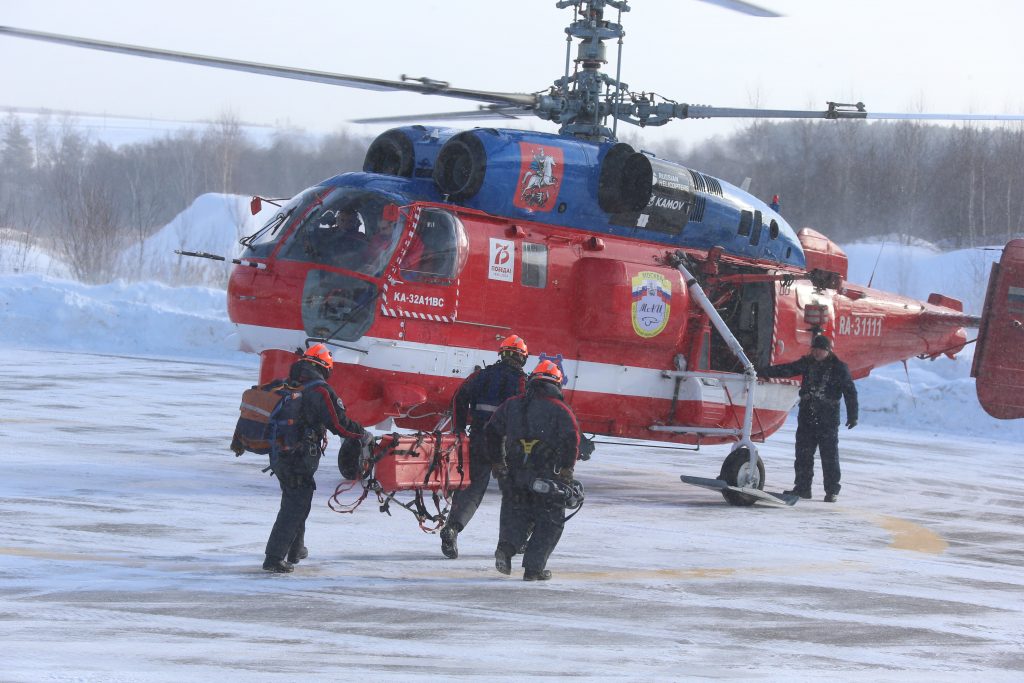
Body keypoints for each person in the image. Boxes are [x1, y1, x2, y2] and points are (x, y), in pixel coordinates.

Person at [257, 343, 370, 572]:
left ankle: (296, 549)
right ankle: (274, 558)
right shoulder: (319, 390)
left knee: (298, 501)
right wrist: (363, 433)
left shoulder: (289, 383)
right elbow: (339, 424)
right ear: (324, 367)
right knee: (295, 506)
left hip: (279, 454)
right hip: (298, 456)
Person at [484, 359, 581, 581]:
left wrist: (498, 463)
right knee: (550, 522)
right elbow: (571, 441)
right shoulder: (561, 410)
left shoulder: (511, 404)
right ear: (556, 384)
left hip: (514, 473)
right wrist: (567, 470)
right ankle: (533, 569)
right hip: (547, 477)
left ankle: (506, 550)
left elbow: (491, 432)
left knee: (514, 514)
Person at [439, 335, 529, 559]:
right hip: (507, 445)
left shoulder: (481, 375)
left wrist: (459, 429)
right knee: (516, 494)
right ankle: (517, 541)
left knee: (471, 490)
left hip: (479, 439)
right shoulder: (522, 382)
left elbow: (459, 397)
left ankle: (453, 528)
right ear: (521, 358)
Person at [759, 334, 858, 503]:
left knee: (829, 456)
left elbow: (850, 392)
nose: (817, 353)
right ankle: (803, 488)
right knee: (803, 455)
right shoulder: (807, 363)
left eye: (821, 350)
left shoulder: (839, 368)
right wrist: (762, 372)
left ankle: (832, 490)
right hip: (807, 417)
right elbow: (787, 370)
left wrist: (853, 415)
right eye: (815, 349)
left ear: (828, 351)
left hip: (828, 420)